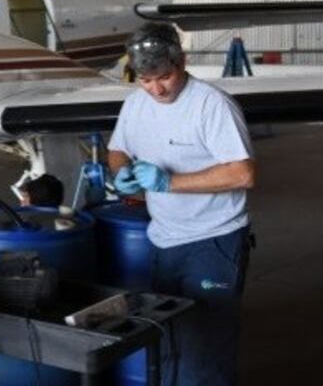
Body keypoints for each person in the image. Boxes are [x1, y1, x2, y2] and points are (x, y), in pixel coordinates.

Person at [107, 22, 255, 386]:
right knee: (168, 339)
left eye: (165, 77)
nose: (156, 89)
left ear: (183, 62)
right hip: (163, 241)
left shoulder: (211, 105)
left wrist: (169, 182)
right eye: (145, 80)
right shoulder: (135, 104)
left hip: (213, 241)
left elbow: (242, 174)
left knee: (204, 350)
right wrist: (121, 171)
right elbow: (117, 150)